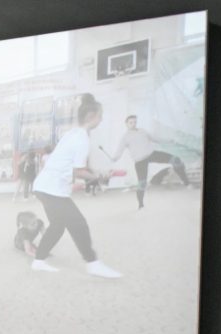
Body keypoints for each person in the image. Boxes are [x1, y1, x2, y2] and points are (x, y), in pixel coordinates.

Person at [30, 93, 121, 278]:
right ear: (91, 117)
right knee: (78, 224)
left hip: (44, 186)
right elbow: (79, 172)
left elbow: (74, 167)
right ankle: (93, 263)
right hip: (51, 189)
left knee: (58, 225)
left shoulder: (72, 134)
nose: (102, 119)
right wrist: (98, 177)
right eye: (100, 116)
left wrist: (97, 174)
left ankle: (38, 261)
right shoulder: (82, 139)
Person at [112, 115, 190, 209]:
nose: (133, 124)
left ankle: (186, 182)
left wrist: (169, 140)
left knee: (176, 159)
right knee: (142, 183)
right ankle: (140, 205)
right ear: (126, 124)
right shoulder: (125, 137)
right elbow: (119, 150)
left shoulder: (142, 131)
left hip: (151, 154)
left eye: (135, 122)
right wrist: (115, 158)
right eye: (131, 122)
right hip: (140, 161)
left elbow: (155, 139)